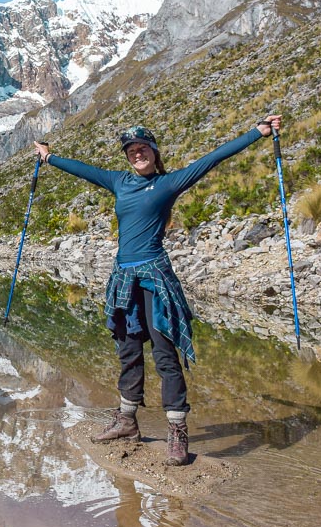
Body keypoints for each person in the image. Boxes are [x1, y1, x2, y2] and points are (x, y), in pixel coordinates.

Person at [33, 115, 282, 466]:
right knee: (128, 350)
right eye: (131, 151)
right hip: (123, 277)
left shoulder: (168, 184)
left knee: (165, 353)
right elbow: (83, 169)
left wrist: (257, 133)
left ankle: (177, 431)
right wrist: (49, 157)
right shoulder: (118, 182)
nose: (137, 154)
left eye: (142, 148)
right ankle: (127, 422)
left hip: (154, 277)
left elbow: (212, 159)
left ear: (154, 151)